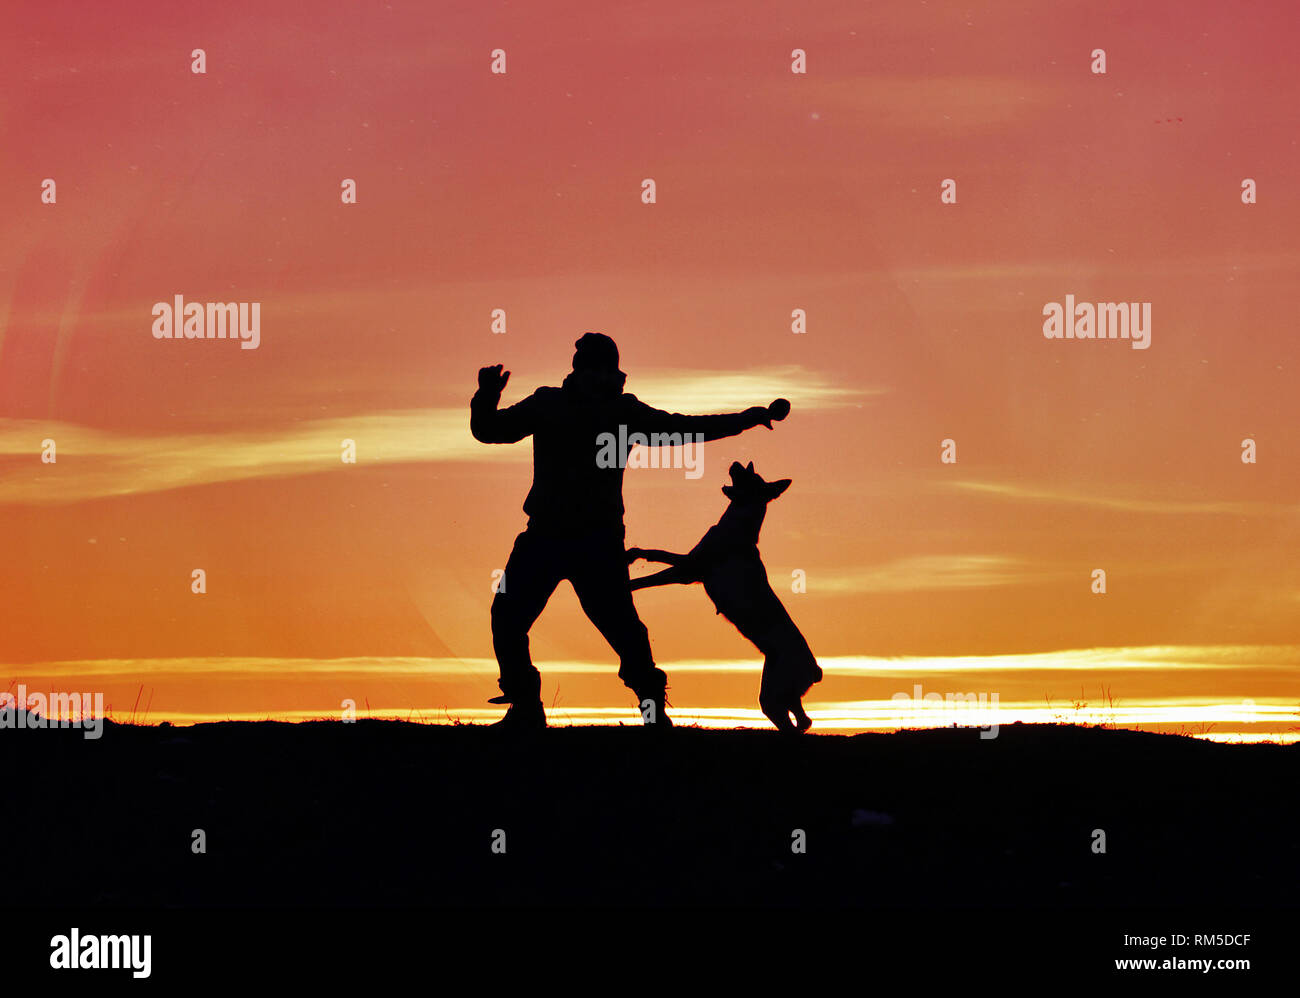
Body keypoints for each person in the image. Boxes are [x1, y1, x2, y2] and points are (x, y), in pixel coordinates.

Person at [471, 332, 789, 730]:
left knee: (622, 630)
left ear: (610, 372)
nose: (599, 376)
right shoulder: (553, 403)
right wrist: (486, 396)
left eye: (604, 369)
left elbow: (684, 429)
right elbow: (489, 430)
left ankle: (651, 710)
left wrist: (744, 420)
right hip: (547, 537)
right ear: (580, 370)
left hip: (594, 542)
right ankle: (526, 708)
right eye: (592, 368)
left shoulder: (618, 412)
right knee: (508, 617)